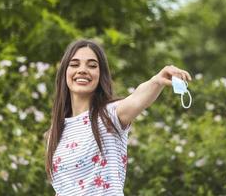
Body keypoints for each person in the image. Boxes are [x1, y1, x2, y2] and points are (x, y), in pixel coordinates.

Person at [44, 39, 192, 196]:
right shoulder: (56, 130)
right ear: (65, 73)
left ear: (100, 75)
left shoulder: (109, 115)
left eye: (92, 65)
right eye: (74, 64)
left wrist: (157, 81)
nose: (82, 70)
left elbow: (136, 98)